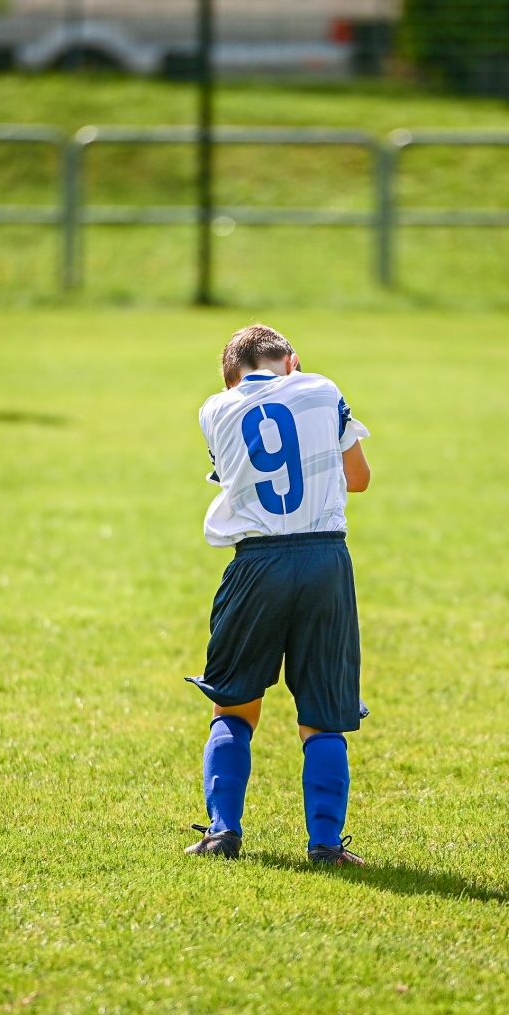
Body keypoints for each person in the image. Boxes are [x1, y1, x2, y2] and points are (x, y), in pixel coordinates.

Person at [184, 324, 373, 866]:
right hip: (324, 560)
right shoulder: (322, 388)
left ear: (230, 378)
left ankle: (222, 832)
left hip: (256, 564)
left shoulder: (214, 410)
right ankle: (326, 844)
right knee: (324, 713)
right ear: (293, 361)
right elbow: (358, 478)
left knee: (234, 706)